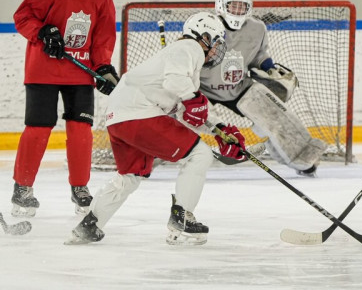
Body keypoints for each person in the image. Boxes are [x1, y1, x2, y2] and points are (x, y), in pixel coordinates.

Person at [66, 12, 246, 245]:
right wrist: (193, 98)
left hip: (119, 117)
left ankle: (89, 225)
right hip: (139, 113)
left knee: (130, 176)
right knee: (199, 154)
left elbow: (185, 111)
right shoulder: (189, 48)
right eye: (215, 43)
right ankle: (182, 217)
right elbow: (178, 86)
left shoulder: (179, 60)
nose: (215, 50)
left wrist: (219, 130)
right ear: (203, 36)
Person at [11, 0, 118, 217]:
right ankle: (22, 188)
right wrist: (43, 32)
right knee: (39, 128)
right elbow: (23, 17)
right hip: (42, 70)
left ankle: (80, 188)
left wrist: (103, 67)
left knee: (81, 130)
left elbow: (103, 37)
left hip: (79, 73)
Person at [199, 0, 324, 177]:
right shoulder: (206, 25)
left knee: (274, 114)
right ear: (221, 6)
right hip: (203, 87)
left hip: (237, 85)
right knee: (177, 114)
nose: (238, 11)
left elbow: (259, 55)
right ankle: (152, 154)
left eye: (242, 7)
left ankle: (301, 157)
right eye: (233, 6)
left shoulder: (257, 28)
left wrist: (269, 68)